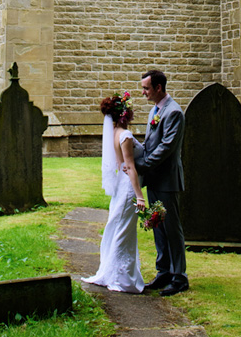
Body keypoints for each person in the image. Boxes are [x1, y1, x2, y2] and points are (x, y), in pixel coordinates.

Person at [81, 91, 146, 293]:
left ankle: (113, 273)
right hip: (127, 189)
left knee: (118, 228)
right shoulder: (125, 135)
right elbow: (130, 167)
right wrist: (139, 195)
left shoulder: (113, 134)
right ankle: (119, 278)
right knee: (123, 231)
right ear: (124, 114)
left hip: (121, 185)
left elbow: (121, 166)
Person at [131, 69, 189, 296]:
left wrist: (142, 165)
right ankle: (163, 271)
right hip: (155, 179)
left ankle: (179, 277)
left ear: (158, 88)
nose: (143, 92)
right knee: (158, 226)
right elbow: (150, 144)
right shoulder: (155, 110)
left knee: (172, 229)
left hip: (167, 180)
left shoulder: (173, 112)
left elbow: (166, 147)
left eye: (146, 88)